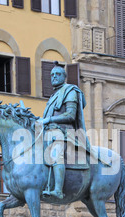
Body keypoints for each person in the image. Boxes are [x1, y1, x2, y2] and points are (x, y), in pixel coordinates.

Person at [38, 62, 88, 199]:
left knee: (55, 154)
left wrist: (48, 120)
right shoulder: (54, 96)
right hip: (49, 132)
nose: (54, 77)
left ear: (64, 77)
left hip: (65, 133)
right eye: (52, 75)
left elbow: (70, 115)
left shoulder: (70, 90)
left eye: (57, 74)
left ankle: (58, 190)